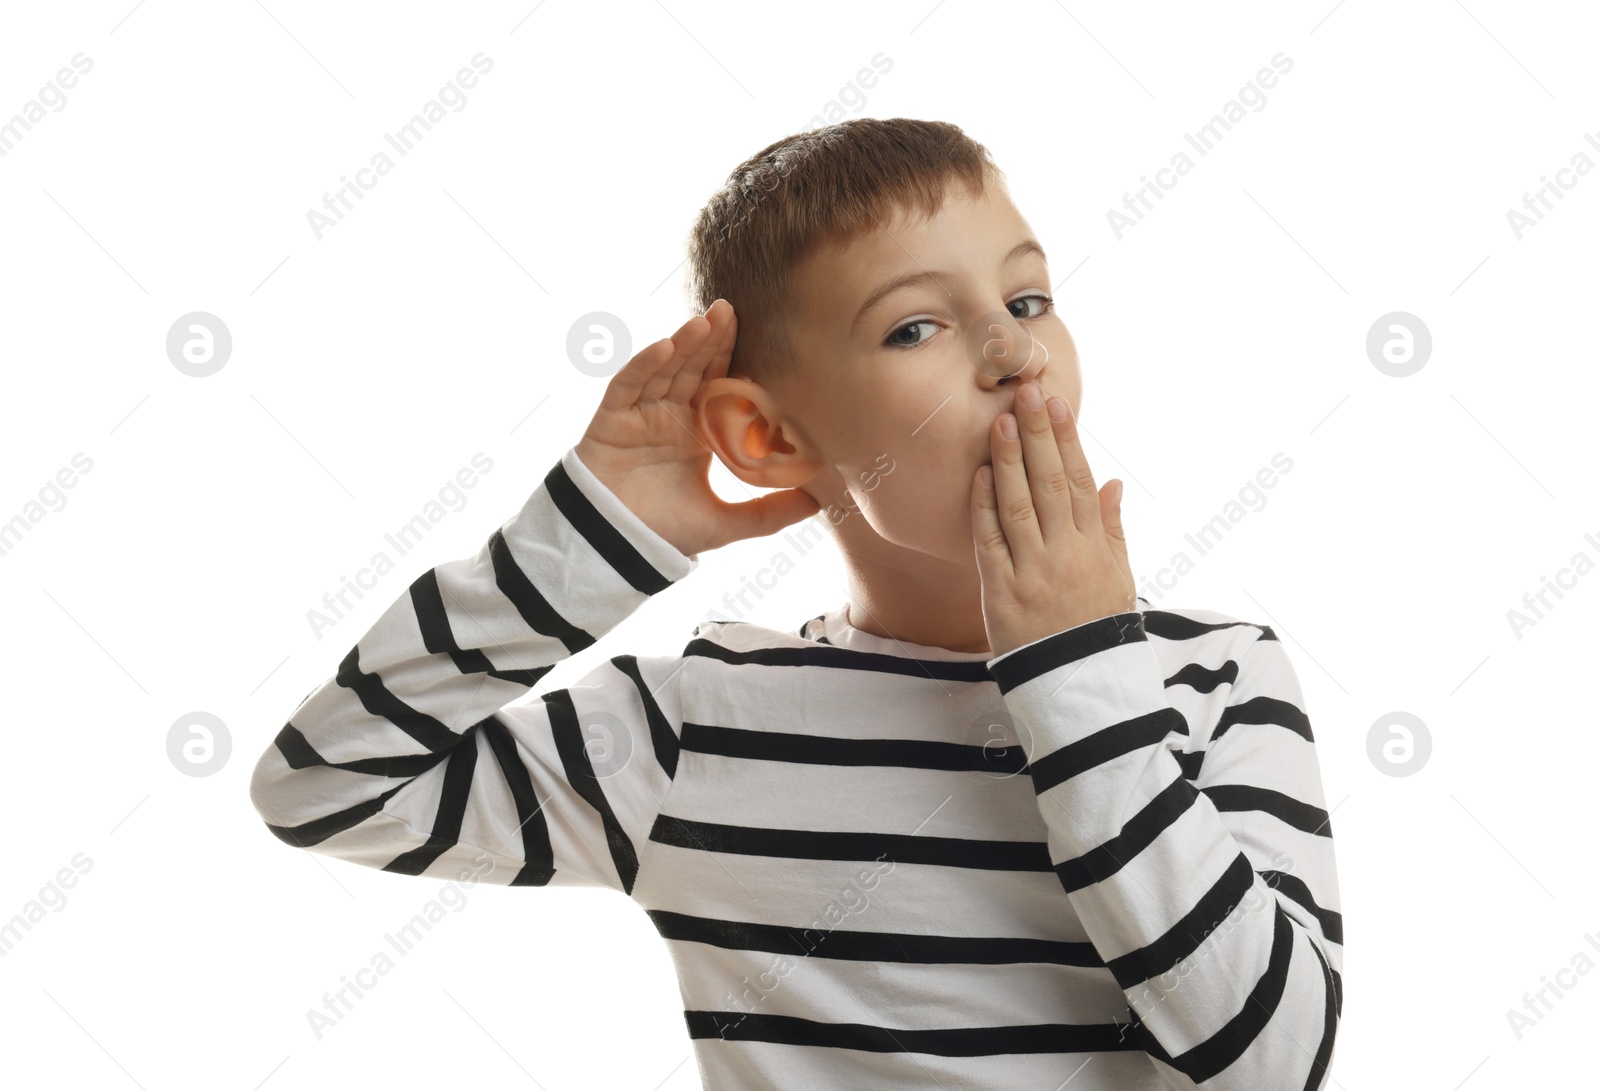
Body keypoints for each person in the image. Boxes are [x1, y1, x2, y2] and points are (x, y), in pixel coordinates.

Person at [250, 117, 1342, 1089]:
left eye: (1027, 300)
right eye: (915, 326)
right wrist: (584, 543)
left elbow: (1268, 1060)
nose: (1012, 352)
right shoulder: (694, 727)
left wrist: (1075, 670)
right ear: (768, 438)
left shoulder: (1215, 674)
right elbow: (324, 787)